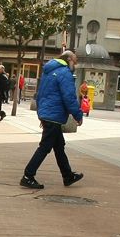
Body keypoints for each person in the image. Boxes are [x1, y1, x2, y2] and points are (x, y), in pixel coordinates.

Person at [21, 51, 84, 189]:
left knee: (59, 146)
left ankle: (67, 175)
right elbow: (69, 97)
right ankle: (28, 175)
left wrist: (41, 113)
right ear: (68, 59)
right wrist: (78, 115)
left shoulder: (49, 72)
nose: (76, 64)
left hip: (48, 114)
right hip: (54, 115)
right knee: (45, 147)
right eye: (75, 60)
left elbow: (41, 94)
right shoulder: (64, 73)